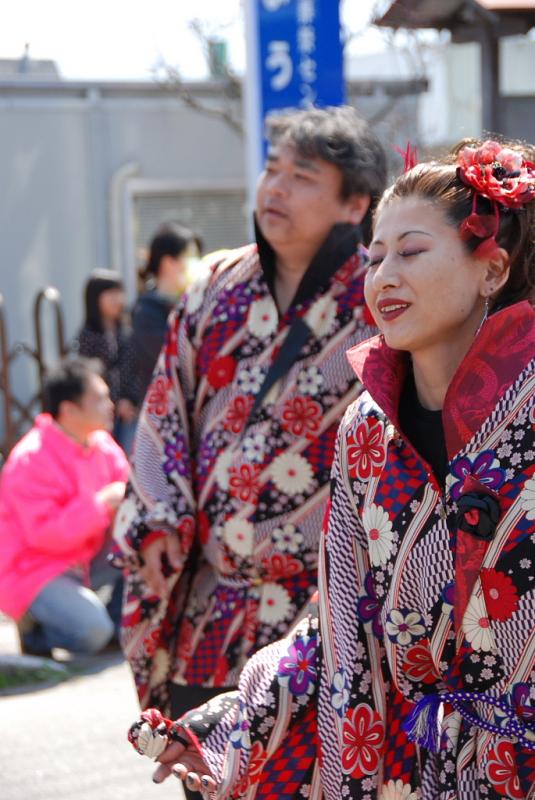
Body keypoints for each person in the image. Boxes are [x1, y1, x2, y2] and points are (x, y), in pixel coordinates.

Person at [130, 138, 535, 799]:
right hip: (420, 755)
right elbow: (344, 624)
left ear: (490, 270)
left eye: (409, 253)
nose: (381, 277)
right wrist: (233, 726)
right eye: (374, 258)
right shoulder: (366, 426)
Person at [112, 105, 387, 736]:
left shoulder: (383, 296)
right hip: (210, 599)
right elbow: (165, 413)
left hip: (323, 608)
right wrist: (158, 518)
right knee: (196, 760)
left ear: (353, 204)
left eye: (303, 176)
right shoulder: (213, 285)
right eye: (272, 170)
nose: (276, 188)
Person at [0, 357, 129, 655]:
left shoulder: (102, 443)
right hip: (36, 569)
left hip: (83, 559)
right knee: (94, 632)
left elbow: (130, 493)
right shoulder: (31, 458)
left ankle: (106, 622)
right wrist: (102, 504)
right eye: (99, 399)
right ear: (69, 410)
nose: (110, 404)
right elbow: (45, 535)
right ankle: (37, 632)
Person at [131, 223, 199, 403]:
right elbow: (175, 356)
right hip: (163, 411)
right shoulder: (146, 310)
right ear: (168, 262)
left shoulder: (195, 300)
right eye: (190, 257)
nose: (197, 264)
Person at [75, 269, 138, 451]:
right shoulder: (88, 335)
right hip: (102, 409)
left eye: (120, 293)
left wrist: (129, 400)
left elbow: (135, 369)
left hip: (129, 410)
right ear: (95, 298)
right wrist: (113, 402)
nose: (118, 299)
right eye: (111, 294)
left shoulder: (127, 332)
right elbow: (91, 375)